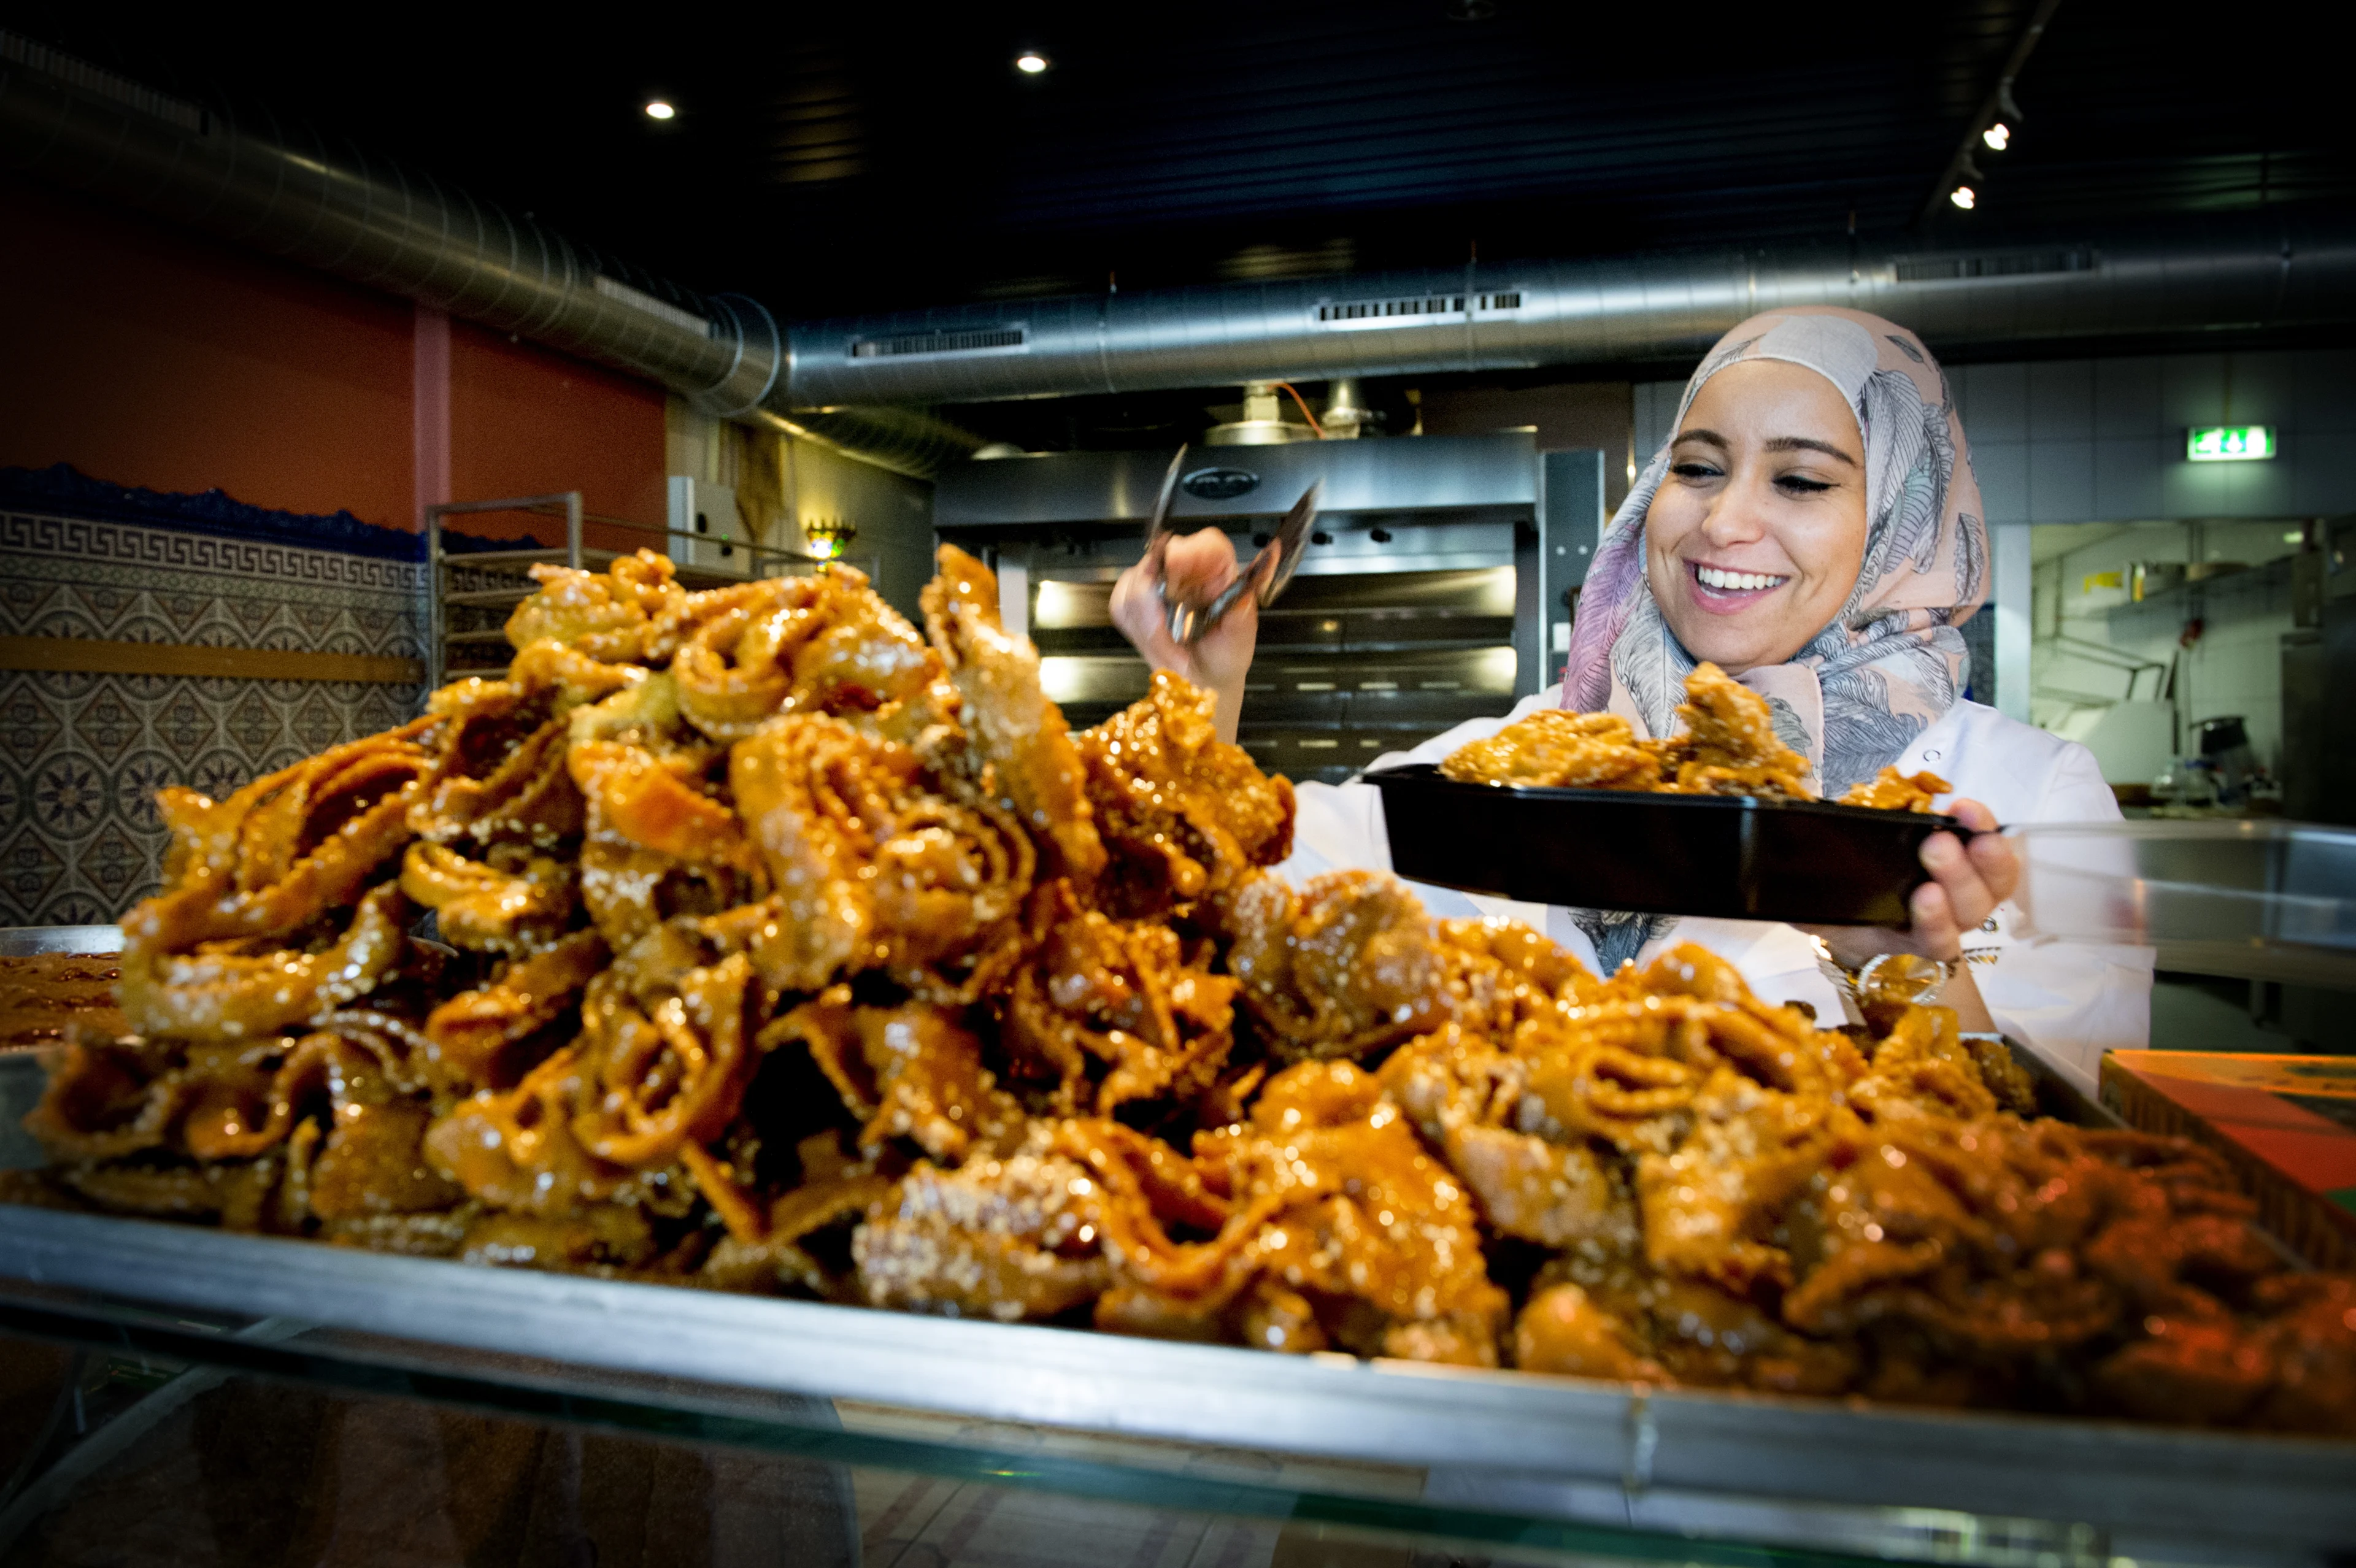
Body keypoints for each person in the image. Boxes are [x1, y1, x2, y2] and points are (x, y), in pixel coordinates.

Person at [1111, 307, 2149, 1093]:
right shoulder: (1520, 761)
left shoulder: (2042, 793)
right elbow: (1244, 893)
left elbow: (2084, 1119)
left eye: (1801, 482)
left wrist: (1904, 970)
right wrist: (1198, 702)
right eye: (1698, 468)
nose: (1723, 521)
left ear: (1905, 521)